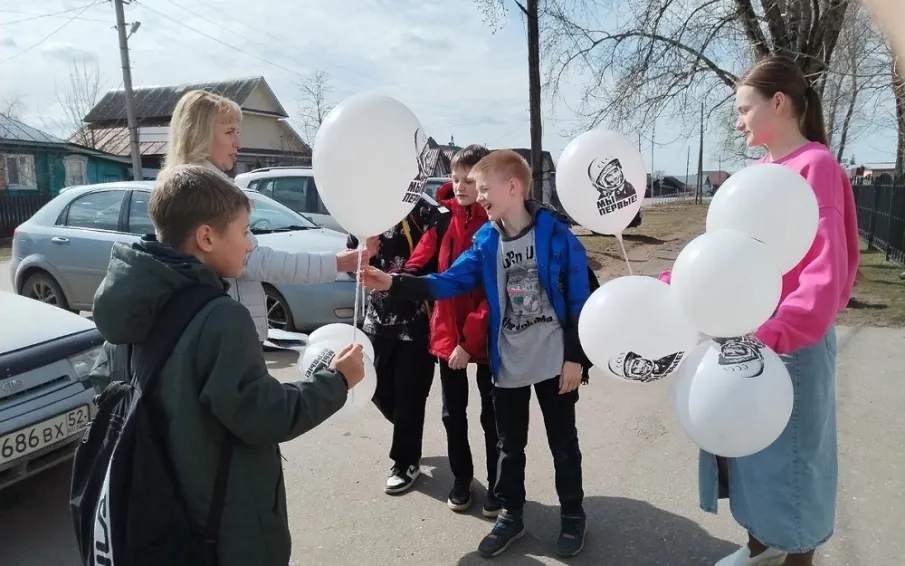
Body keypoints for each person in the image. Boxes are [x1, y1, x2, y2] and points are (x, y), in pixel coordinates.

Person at [88, 164, 366, 566]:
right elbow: (266, 416)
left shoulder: (130, 300)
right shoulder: (220, 318)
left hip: (151, 506)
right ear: (206, 237)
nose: (250, 244)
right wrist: (337, 380)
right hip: (220, 526)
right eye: (243, 231)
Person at [661, 56, 859, 566]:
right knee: (748, 454)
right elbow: (724, 253)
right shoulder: (759, 174)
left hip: (790, 345)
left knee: (793, 469)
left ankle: (793, 557)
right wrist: (675, 286)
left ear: (779, 102)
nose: (738, 120)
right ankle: (758, 549)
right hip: (749, 337)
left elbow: (824, 270)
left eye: (744, 109)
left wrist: (775, 333)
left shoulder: (815, 167)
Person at [361, 150, 591, 559]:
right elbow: (448, 282)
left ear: (514, 187)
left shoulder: (556, 235)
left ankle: (573, 514)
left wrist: (576, 357)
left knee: (564, 442)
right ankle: (511, 514)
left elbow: (579, 297)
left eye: (485, 189)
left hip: (556, 360)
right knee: (509, 446)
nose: (479, 196)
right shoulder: (487, 240)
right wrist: (393, 283)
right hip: (508, 361)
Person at [164, 89, 369, 342]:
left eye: (237, 132)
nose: (238, 142)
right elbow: (255, 261)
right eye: (229, 132)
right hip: (225, 334)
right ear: (198, 135)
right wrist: (335, 264)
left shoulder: (190, 185)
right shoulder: (203, 192)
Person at [400, 144, 499, 517]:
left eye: (469, 179)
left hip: (486, 335)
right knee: (452, 414)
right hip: (447, 333)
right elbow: (417, 263)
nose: (459, 186)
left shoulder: (497, 225)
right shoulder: (442, 221)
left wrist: (469, 340)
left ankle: (498, 485)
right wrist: (397, 280)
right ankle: (462, 479)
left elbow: (496, 291)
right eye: (455, 178)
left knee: (493, 415)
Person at [347, 194, 440, 495]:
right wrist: (364, 252)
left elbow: (442, 258)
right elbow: (351, 267)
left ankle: (405, 462)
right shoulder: (362, 213)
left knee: (410, 394)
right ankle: (406, 429)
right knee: (374, 387)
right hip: (376, 321)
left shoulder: (421, 209)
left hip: (416, 322)